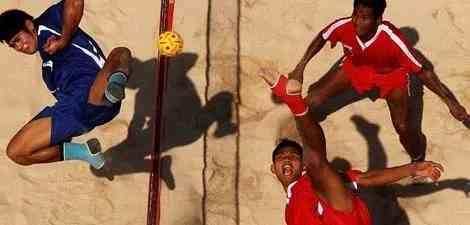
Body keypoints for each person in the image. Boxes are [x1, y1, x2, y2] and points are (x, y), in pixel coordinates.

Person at [288, 0, 469, 162]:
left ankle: (418, 159)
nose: (357, 22)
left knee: (403, 127)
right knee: (312, 101)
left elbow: (424, 72)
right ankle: (307, 136)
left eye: (365, 18)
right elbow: (323, 36)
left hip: (391, 77)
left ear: (378, 19)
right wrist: (300, 67)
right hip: (356, 68)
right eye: (355, 14)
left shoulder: (393, 39)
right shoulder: (344, 25)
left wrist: (451, 103)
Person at [260, 69, 443, 225]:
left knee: (317, 162)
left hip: (345, 214)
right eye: (280, 157)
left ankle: (295, 102)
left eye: (293, 156)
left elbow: (368, 177)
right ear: (273, 169)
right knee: (318, 164)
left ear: (303, 165)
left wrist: (413, 168)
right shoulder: (290, 210)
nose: (286, 158)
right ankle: (295, 102)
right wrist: (372, 136)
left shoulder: (314, 177)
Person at [1, 0, 132, 169]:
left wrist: (64, 39)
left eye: (18, 39)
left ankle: (115, 85)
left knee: (121, 53)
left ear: (29, 25)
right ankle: (83, 152)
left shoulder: (49, 23)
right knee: (16, 152)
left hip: (96, 89)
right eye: (14, 45)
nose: (20, 47)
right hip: (79, 109)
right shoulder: (47, 71)